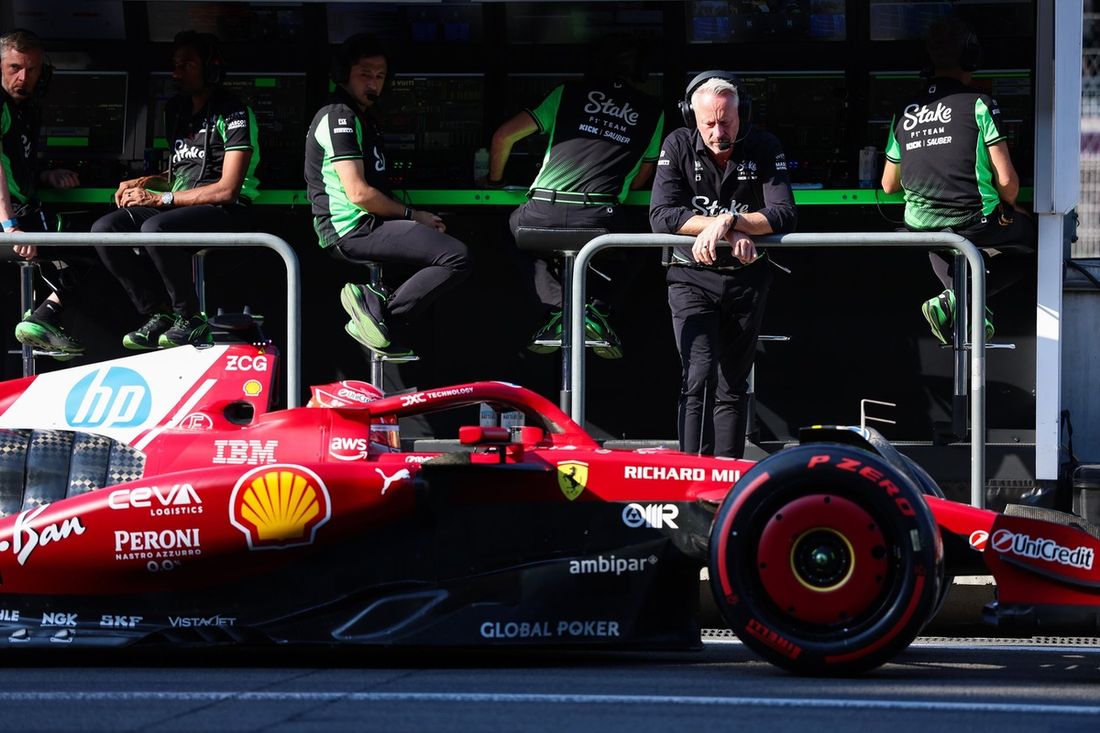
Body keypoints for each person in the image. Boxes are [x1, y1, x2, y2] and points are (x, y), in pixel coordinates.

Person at [487, 34, 664, 359]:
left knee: (509, 232)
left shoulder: (566, 93)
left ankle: (558, 308)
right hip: (600, 220)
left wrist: (494, 180)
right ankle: (596, 308)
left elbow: (502, 137)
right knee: (645, 241)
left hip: (540, 212)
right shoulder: (653, 112)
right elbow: (640, 180)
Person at [650, 72, 796, 458]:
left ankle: (727, 479)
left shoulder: (764, 145)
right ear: (691, 117)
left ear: (741, 113)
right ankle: (691, 475)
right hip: (690, 277)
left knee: (732, 383)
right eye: (708, 123)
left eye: (726, 121)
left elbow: (783, 214)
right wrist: (726, 229)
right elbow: (662, 215)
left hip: (747, 280)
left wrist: (728, 221)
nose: (718, 132)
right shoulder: (677, 143)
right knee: (697, 376)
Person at [92, 30, 260, 350]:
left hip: (229, 211)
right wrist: (144, 183)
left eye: (187, 65)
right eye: (175, 65)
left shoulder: (235, 112)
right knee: (105, 229)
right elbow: (181, 176)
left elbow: (228, 190)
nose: (176, 73)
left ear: (210, 69)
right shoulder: (176, 111)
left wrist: (159, 198)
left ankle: (191, 319)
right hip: (182, 207)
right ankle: (160, 314)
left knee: (156, 228)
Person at [305, 33, 469, 358]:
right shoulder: (339, 115)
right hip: (352, 229)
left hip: (369, 226)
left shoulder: (362, 117)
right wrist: (413, 215)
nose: (374, 83)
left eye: (380, 76)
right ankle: (376, 316)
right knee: (456, 256)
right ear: (343, 74)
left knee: (434, 252)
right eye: (365, 73)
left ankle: (376, 317)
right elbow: (359, 192)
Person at [882, 16, 1036, 344]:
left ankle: (958, 302)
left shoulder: (904, 111)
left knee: (937, 236)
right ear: (972, 57)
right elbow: (1008, 183)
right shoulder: (981, 104)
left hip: (921, 228)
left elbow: (888, 185)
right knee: (1036, 243)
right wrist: (1012, 208)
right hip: (975, 222)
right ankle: (963, 301)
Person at [1, 29, 84, 356]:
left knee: (93, 244)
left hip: (22, 215)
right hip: (11, 224)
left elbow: (14, 162)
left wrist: (47, 175)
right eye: (14, 68)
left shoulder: (25, 107)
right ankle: (43, 318)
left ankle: (39, 323)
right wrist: (10, 227)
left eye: (32, 69)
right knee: (104, 249)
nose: (24, 77)